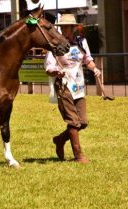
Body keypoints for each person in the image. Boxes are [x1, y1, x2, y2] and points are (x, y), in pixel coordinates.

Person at [44, 14, 101, 163]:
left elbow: (87, 59)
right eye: (62, 27)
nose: (64, 30)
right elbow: (48, 67)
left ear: (73, 28)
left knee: (83, 122)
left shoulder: (81, 42)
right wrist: (56, 71)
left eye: (67, 27)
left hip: (79, 86)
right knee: (73, 121)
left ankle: (60, 140)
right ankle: (79, 155)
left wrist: (94, 68)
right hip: (63, 86)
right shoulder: (55, 45)